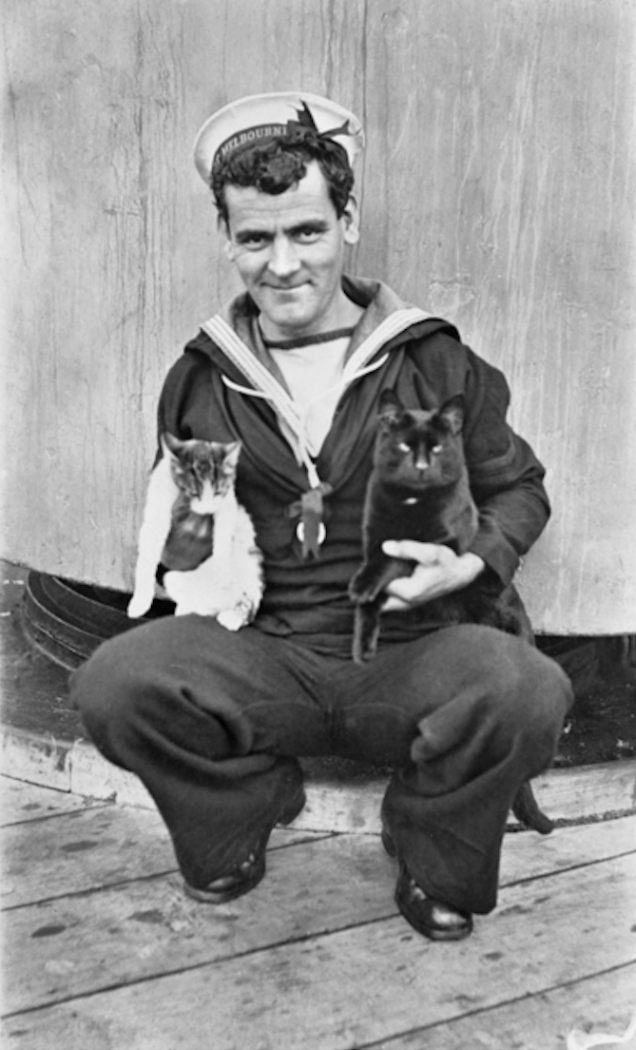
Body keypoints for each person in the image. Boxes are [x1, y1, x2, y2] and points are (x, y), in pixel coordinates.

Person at [71, 91, 573, 942]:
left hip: (412, 646)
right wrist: (191, 550)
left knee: (530, 691)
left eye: (306, 232)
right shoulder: (202, 374)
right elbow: (190, 526)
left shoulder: (431, 354)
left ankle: (428, 844)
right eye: (255, 238)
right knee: (113, 684)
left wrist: (474, 563)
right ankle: (246, 803)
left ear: (347, 222)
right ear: (225, 238)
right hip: (265, 647)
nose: (283, 264)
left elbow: (520, 487)